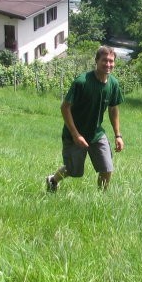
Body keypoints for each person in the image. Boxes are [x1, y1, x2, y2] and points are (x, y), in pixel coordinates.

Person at [46, 46, 124, 192]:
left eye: (111, 61)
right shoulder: (82, 82)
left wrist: (118, 135)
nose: (108, 64)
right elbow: (65, 108)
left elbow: (113, 109)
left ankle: (101, 199)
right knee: (73, 171)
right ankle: (52, 180)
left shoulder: (113, 84)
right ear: (96, 61)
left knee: (107, 168)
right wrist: (76, 135)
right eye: (104, 60)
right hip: (74, 134)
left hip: (96, 134)